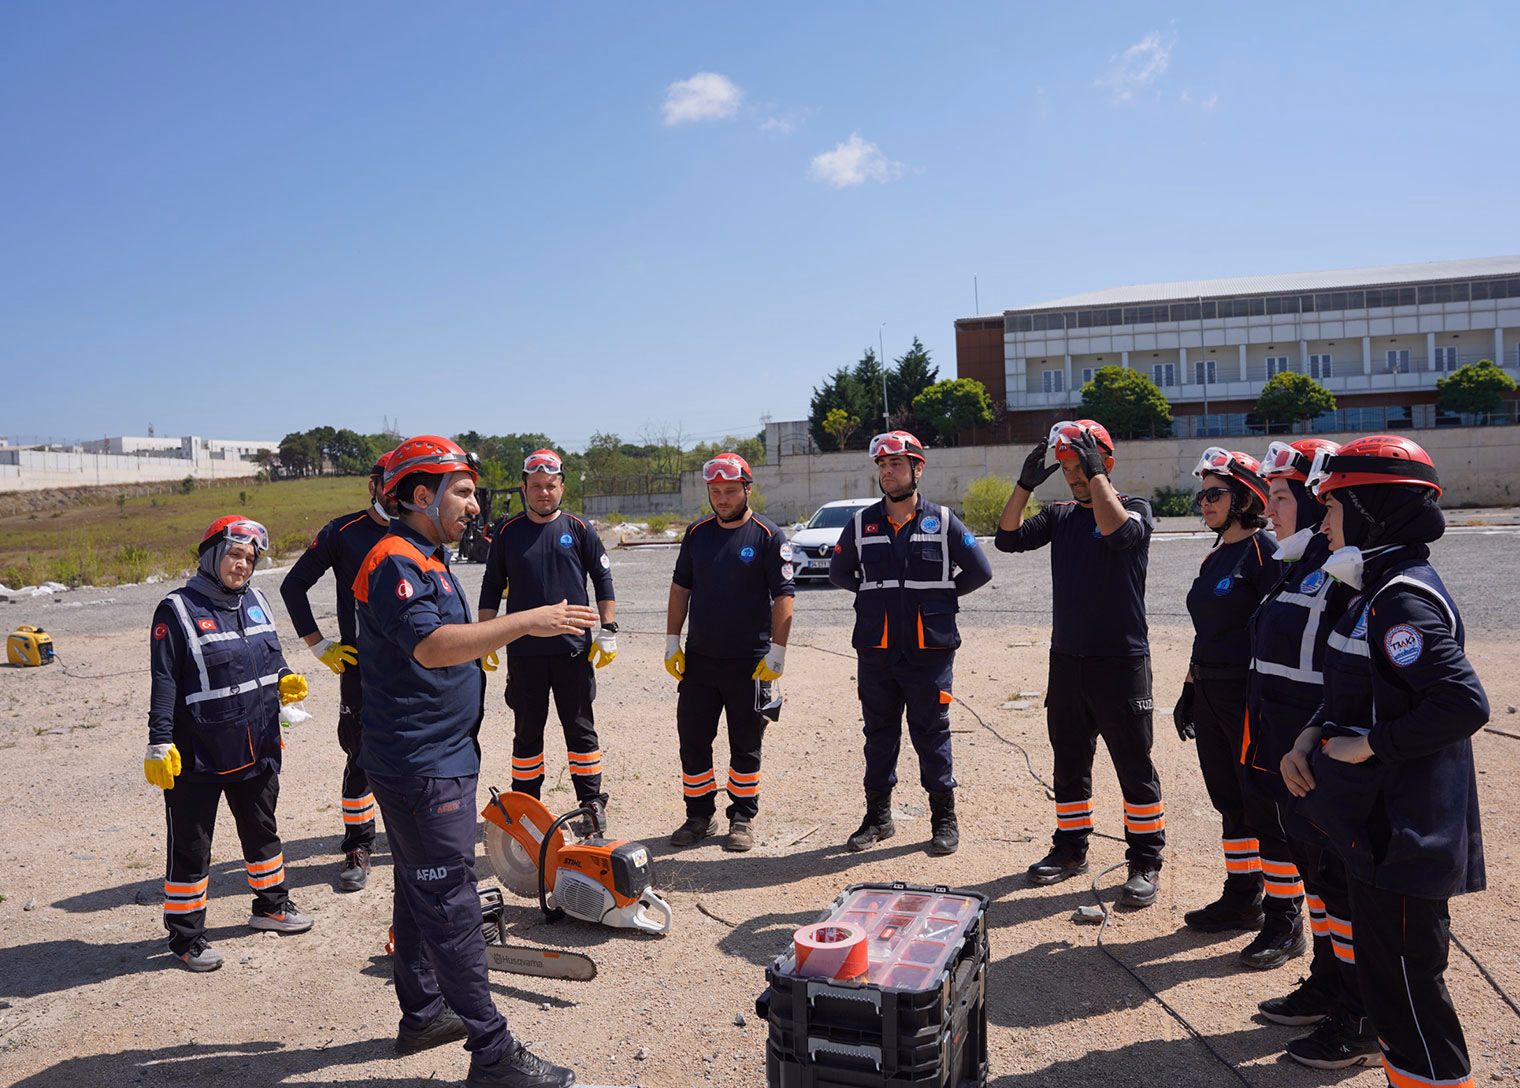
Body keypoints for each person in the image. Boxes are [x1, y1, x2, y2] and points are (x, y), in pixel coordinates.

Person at [353, 434, 595, 1088]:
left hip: (436, 754)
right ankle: (493, 1052)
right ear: (420, 494)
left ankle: (425, 1011)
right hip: (421, 761)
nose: (472, 504)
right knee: (452, 901)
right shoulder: (394, 562)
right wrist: (527, 621)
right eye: (461, 491)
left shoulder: (426, 557)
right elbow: (432, 647)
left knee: (417, 883)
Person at [1283, 435, 1489, 1087]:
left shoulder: (1402, 599)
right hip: (1374, 834)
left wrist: (1372, 743)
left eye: (1337, 505)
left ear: (1372, 508)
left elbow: (1461, 703)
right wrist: (1308, 736)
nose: (1327, 520)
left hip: (1404, 837)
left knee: (1410, 1006)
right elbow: (1352, 685)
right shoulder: (1372, 589)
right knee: (1390, 994)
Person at [1242, 438, 1376, 1068]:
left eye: (1278, 495)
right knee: (1319, 885)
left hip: (1324, 762)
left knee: (1343, 890)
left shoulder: (1349, 571)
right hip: (1289, 755)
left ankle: (1360, 1013)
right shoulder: (1299, 561)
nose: (1270, 508)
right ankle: (1329, 983)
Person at [995, 419, 1164, 908]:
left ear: (1105, 463)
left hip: (1121, 660)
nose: (1071, 478)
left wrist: (1096, 479)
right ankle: (1070, 849)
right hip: (1067, 661)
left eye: (1080, 467)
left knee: (1134, 766)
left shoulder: (1134, 510)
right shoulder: (1061, 514)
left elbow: (1114, 534)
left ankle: (1146, 860)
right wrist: (1025, 484)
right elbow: (1007, 538)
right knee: (1069, 762)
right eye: (1066, 469)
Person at [145, 516, 313, 972]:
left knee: (262, 828)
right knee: (192, 847)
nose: (242, 565)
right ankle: (186, 936)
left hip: (257, 742)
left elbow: (271, 654)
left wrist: (286, 678)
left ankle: (271, 906)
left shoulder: (256, 600)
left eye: (250, 558)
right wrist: (159, 742)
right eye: (235, 555)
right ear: (211, 556)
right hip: (198, 752)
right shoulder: (175, 610)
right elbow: (164, 682)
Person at [828, 430, 992, 855]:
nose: (887, 472)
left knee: (932, 733)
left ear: (917, 469)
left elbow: (979, 571)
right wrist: (877, 597)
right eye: (882, 465)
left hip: (929, 652)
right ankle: (878, 819)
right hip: (877, 651)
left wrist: (940, 598)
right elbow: (839, 573)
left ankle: (943, 819)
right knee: (878, 734)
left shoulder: (944, 520)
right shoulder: (861, 523)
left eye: (896, 464)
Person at [1175, 448, 1306, 968]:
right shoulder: (1214, 554)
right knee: (1228, 800)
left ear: (1246, 498)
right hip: (1211, 693)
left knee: (1264, 806)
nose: (1203, 502)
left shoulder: (1264, 552)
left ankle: (1285, 918)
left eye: (1214, 493)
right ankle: (1242, 896)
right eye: (1202, 493)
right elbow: (1208, 629)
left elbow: (1279, 633)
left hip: (1249, 698)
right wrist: (1190, 687)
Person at [477, 449, 617, 831]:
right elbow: (491, 587)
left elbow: (603, 579)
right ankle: (525, 807)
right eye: (535, 486)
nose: (543, 492)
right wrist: (486, 638)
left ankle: (591, 804)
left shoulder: (579, 528)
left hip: (572, 651)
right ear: (524, 487)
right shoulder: (507, 532)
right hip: (524, 652)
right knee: (526, 732)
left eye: (550, 486)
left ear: (561, 487)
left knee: (580, 728)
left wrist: (608, 630)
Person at [664, 452, 794, 852]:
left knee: (746, 742)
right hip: (701, 660)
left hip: (750, 663)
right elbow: (680, 588)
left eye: (730, 491)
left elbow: (784, 596)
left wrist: (777, 652)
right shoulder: (697, 533)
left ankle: (742, 817)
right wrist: (672, 641)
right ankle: (698, 815)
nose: (722, 498)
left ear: (746, 489)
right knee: (693, 739)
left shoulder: (768, 536)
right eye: (716, 492)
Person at [278, 451, 393, 891]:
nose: (397, 490)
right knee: (360, 755)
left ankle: (410, 841)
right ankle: (358, 846)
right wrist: (318, 643)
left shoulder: (420, 529)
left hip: (414, 663)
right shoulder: (343, 532)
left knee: (418, 752)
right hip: (362, 667)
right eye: (389, 481)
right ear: (374, 485)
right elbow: (293, 585)